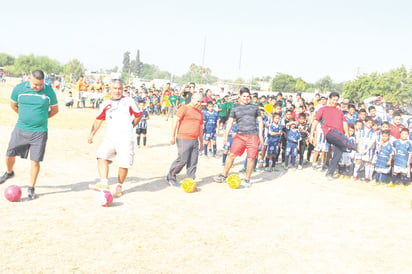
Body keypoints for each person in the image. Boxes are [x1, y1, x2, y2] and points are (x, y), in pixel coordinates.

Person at [0, 70, 59, 199]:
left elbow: (55, 110)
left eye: (40, 85)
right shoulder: (19, 89)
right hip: (20, 128)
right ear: (29, 79)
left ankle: (31, 187)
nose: (38, 87)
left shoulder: (49, 92)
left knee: (35, 161)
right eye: (35, 85)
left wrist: (42, 118)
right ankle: (9, 172)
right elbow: (13, 105)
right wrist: (24, 117)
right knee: (9, 154)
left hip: (39, 132)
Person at [87, 80, 142, 197]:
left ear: (123, 90)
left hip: (126, 138)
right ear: (110, 89)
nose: (117, 91)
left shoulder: (128, 101)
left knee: (124, 164)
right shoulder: (105, 104)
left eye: (120, 89)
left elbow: (138, 115)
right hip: (110, 137)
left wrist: (131, 126)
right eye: (115, 88)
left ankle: (119, 186)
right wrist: (92, 134)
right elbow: (98, 120)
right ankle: (104, 183)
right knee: (101, 157)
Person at [214, 87, 264, 187]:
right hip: (240, 136)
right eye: (244, 96)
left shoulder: (255, 108)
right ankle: (224, 175)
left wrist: (260, 135)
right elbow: (230, 123)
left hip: (253, 136)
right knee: (232, 155)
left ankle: (247, 179)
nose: (246, 98)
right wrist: (225, 135)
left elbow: (260, 121)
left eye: (247, 96)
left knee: (251, 158)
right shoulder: (235, 108)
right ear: (240, 96)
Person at [310, 92, 357, 180]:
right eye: (334, 99)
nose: (335, 102)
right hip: (330, 132)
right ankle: (356, 147)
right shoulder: (323, 109)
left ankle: (329, 173)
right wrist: (311, 135)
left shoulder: (340, 112)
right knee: (339, 136)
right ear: (330, 99)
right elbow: (315, 121)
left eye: (337, 100)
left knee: (338, 155)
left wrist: (346, 133)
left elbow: (344, 122)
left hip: (340, 135)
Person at [166, 92, 204, 187]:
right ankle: (171, 176)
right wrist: (172, 136)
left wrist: (201, 142)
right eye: (197, 101)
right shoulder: (184, 108)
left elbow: (200, 128)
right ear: (192, 99)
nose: (199, 103)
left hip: (194, 140)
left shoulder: (199, 112)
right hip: (184, 138)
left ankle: (190, 180)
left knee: (193, 161)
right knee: (182, 159)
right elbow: (175, 120)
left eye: (201, 102)